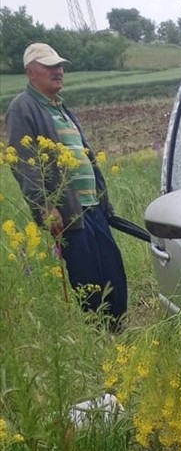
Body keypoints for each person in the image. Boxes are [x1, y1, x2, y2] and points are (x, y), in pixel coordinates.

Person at [5, 42, 127, 324]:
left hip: (93, 207)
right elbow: (24, 165)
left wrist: (103, 197)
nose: (58, 70)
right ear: (30, 72)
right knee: (89, 279)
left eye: (60, 66)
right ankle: (102, 334)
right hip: (69, 213)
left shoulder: (60, 108)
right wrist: (45, 207)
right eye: (49, 66)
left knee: (113, 272)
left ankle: (118, 328)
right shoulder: (22, 109)